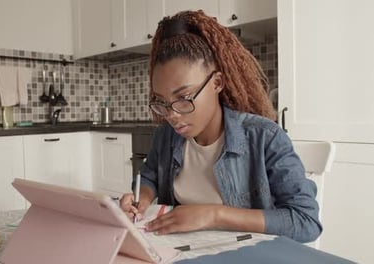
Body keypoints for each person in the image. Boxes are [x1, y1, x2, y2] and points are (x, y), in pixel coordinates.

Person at [120, 10, 321, 243]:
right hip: (180, 250)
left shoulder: (265, 137)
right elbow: (149, 176)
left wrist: (213, 214)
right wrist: (141, 199)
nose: (172, 115)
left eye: (184, 97)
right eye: (161, 103)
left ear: (217, 83)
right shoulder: (167, 136)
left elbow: (305, 221)